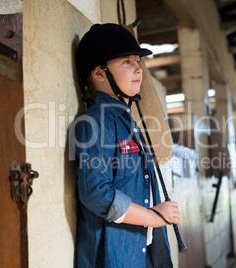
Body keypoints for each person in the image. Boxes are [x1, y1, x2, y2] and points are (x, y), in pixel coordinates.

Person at [73, 23, 181, 268]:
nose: (138, 68)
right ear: (99, 74)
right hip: (115, 257)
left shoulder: (127, 121)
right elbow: (95, 193)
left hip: (143, 252)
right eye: (127, 62)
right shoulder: (95, 122)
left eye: (137, 61)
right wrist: (153, 216)